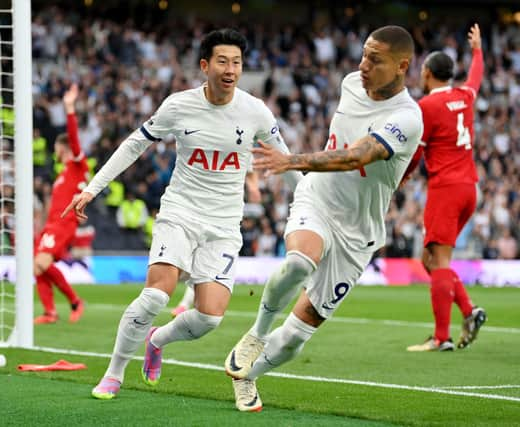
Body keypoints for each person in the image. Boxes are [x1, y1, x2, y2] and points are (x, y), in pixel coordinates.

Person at [62, 28, 301, 400]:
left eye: (237, 62)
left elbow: (286, 163)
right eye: (222, 61)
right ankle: (114, 372)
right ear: (205, 66)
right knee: (157, 295)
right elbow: (135, 143)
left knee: (209, 318)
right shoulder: (179, 105)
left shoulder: (255, 112)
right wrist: (94, 187)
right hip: (181, 211)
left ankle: (157, 341)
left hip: (223, 224)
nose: (231, 69)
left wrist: (308, 208)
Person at [223, 25, 423, 412]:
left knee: (298, 336)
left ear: (402, 66)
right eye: (364, 55)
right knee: (300, 261)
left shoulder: (406, 117)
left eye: (375, 60)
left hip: (359, 232)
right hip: (318, 199)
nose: (363, 65)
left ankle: (247, 375)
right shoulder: (351, 82)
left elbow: (357, 156)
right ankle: (256, 334)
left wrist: (292, 160)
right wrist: (301, 169)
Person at [406, 24, 486, 352]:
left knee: (438, 262)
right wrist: (478, 50)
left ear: (427, 73)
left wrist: (403, 175)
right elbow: (476, 77)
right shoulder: (464, 96)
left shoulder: (427, 106)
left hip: (445, 189)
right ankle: (469, 310)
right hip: (469, 189)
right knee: (430, 259)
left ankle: (441, 338)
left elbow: (417, 152)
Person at [169, 171, 262, 317]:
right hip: (208, 223)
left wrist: (253, 185)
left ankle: (188, 304)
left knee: (204, 272)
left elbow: (250, 172)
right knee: (199, 269)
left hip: (225, 230)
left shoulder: (236, 167)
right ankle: (186, 304)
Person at [33, 84, 87, 325]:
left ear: (62, 147)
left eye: (56, 146)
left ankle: (75, 301)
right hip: (52, 225)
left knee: (39, 265)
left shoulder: (77, 166)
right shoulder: (63, 174)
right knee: (38, 267)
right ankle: (50, 312)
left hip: (64, 224)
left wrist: (69, 109)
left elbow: (75, 140)